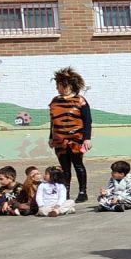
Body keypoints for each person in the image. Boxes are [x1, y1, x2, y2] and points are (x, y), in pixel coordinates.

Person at [48, 67, 92, 203]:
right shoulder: (55, 101)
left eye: (59, 85)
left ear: (67, 85)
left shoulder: (80, 100)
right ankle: (65, 192)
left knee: (78, 164)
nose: (57, 88)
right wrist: (51, 137)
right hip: (59, 139)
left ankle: (82, 192)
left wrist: (87, 138)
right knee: (65, 168)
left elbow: (87, 121)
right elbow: (53, 121)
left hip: (76, 140)